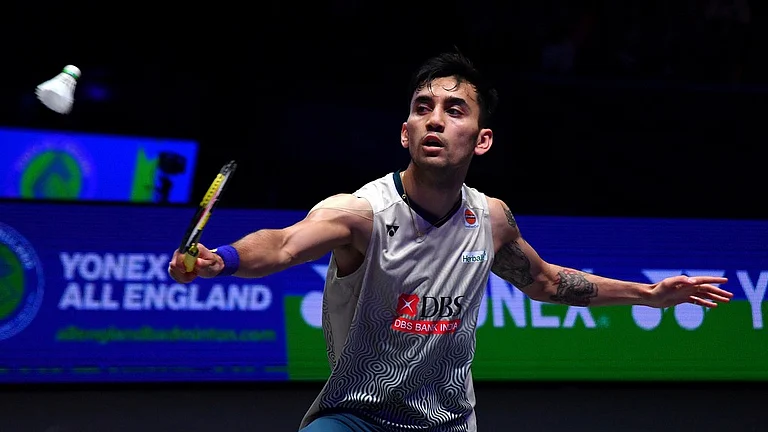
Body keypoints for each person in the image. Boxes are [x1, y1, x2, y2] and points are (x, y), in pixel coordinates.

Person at [167, 51, 733, 432]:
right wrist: (225, 260)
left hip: (448, 422)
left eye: (453, 109)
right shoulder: (361, 214)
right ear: (405, 133)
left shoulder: (491, 220)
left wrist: (649, 295)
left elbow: (545, 281)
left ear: (482, 140)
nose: (435, 120)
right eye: (423, 109)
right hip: (354, 419)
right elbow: (285, 244)